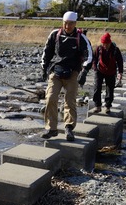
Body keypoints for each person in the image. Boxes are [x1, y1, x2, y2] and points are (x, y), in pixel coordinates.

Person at [40, 11, 93, 141]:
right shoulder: (55, 35)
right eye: (65, 23)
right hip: (56, 71)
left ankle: (69, 128)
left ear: (75, 24)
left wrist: (84, 72)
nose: (67, 26)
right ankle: (51, 128)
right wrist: (44, 68)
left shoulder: (81, 38)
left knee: (69, 101)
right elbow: (46, 53)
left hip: (73, 72)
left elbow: (89, 56)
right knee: (50, 98)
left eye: (70, 24)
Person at [91, 32, 124, 114]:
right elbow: (94, 59)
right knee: (97, 87)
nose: (104, 45)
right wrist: (94, 67)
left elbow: (120, 61)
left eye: (106, 43)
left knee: (110, 89)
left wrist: (120, 72)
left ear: (109, 43)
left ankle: (107, 106)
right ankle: (97, 106)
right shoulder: (99, 49)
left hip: (111, 71)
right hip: (99, 70)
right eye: (103, 43)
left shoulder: (116, 50)